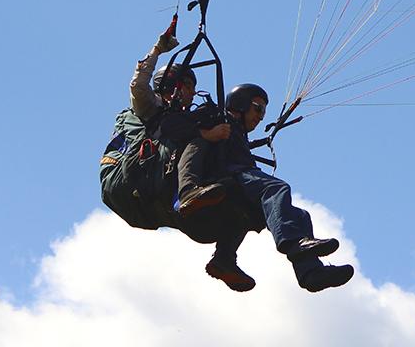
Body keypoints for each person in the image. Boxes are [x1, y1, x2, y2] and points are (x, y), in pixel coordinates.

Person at [202, 83, 355, 294]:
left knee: (301, 216)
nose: (261, 116)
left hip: (239, 175)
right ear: (241, 104)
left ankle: (310, 273)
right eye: (258, 108)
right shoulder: (220, 119)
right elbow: (188, 129)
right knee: (276, 188)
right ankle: (292, 243)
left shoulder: (239, 132)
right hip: (228, 175)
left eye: (264, 111)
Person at [130, 20, 231, 215]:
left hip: (170, 165)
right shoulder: (151, 105)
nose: (193, 93)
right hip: (154, 167)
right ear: (173, 85)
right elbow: (138, 85)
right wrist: (158, 49)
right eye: (189, 86)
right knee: (199, 140)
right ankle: (187, 192)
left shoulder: (185, 116)